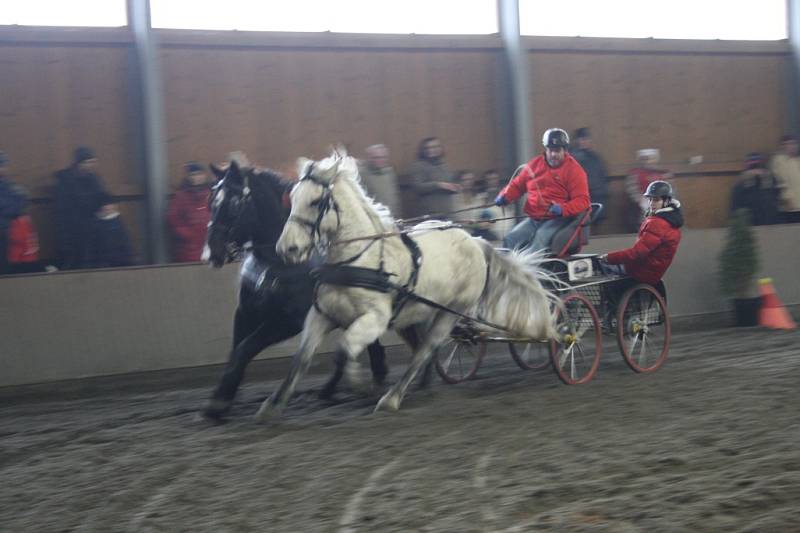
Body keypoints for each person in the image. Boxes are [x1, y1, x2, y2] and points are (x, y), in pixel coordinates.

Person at [495, 128, 590, 253]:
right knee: (511, 238)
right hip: (535, 219)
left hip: (558, 220)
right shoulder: (533, 165)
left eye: (557, 151)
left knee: (539, 239)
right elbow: (518, 185)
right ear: (546, 149)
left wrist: (563, 209)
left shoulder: (575, 171)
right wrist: (505, 196)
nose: (553, 154)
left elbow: (583, 201)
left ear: (565, 150)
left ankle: (529, 271)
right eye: (550, 150)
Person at [598, 180, 683, 291]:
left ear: (666, 201)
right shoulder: (671, 223)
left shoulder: (657, 223)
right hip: (652, 272)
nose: (652, 203)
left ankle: (609, 304)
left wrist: (608, 257)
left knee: (602, 266)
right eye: (650, 199)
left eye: (656, 200)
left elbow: (637, 253)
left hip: (641, 271)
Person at [54, 146, 112, 269]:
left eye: (93, 162)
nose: (91, 165)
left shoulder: (94, 178)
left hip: (93, 225)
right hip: (73, 229)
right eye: (88, 162)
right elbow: (65, 209)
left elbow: (102, 194)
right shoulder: (65, 181)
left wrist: (107, 204)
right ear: (79, 163)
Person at [167, 161, 212, 262]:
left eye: (199, 174)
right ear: (189, 177)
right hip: (189, 249)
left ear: (204, 175)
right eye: (193, 175)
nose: (196, 177)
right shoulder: (181, 196)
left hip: (210, 245)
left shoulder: (212, 193)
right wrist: (187, 235)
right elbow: (172, 218)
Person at [408, 136, 459, 217]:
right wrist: (438, 185)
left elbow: (450, 184)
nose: (431, 150)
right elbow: (417, 187)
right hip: (429, 213)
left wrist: (455, 187)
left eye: (435, 147)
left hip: (447, 211)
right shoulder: (418, 166)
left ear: (440, 149)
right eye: (427, 148)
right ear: (423, 150)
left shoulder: (445, 165)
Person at [625, 148, 673, 232]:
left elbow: (670, 189)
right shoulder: (635, 173)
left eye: (651, 158)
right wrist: (641, 200)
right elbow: (632, 189)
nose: (649, 161)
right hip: (642, 205)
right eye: (646, 159)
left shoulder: (664, 173)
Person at [730, 152, 780, 226]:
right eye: (752, 164)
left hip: (770, 221)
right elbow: (735, 207)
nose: (755, 170)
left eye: (757, 164)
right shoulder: (740, 184)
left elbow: (776, 199)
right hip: (749, 222)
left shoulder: (771, 180)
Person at [571, 127, 608, 224]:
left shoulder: (596, 158)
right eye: (582, 139)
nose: (584, 141)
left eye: (586, 139)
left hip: (597, 196)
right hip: (580, 198)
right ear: (576, 141)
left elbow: (602, 176)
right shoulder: (571, 158)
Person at [0, 151, 27, 274]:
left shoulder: (9, 186)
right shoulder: (11, 188)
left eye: (3, 166)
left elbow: (20, 205)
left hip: (7, 231)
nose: (3, 169)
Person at [357, 144, 402, 217]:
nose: (381, 160)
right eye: (376, 158)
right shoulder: (361, 174)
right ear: (369, 158)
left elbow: (394, 194)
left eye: (384, 157)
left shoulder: (389, 172)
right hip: (375, 216)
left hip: (393, 215)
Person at [769, 134, 800, 223]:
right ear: (782, 147)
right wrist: (787, 198)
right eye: (787, 144)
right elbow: (781, 182)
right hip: (790, 205)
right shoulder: (779, 160)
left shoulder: (797, 160)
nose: (791, 146)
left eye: (793, 144)